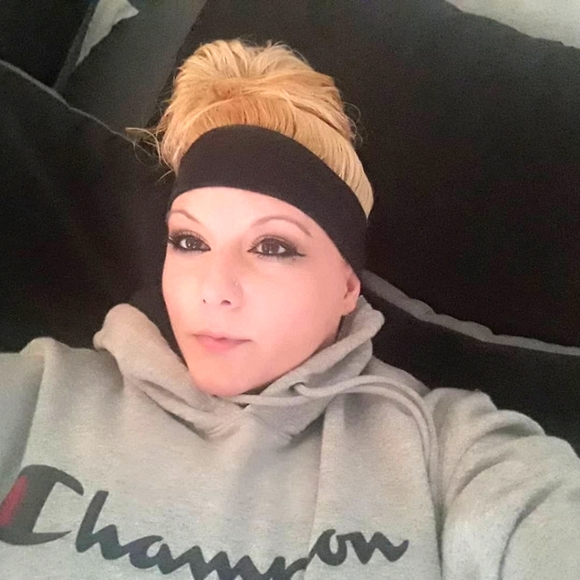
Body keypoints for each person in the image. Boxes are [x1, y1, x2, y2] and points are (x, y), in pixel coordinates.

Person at [1, 38, 579, 580]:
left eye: (273, 247)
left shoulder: (449, 453)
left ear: (347, 288)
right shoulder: (37, 390)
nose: (214, 289)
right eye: (190, 242)